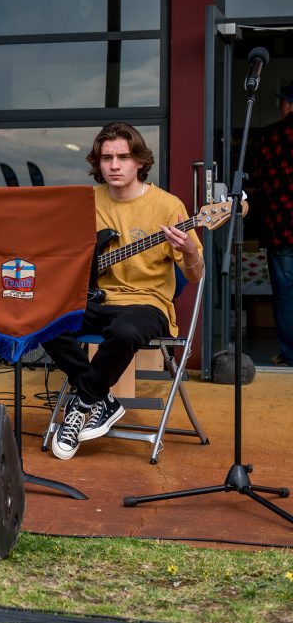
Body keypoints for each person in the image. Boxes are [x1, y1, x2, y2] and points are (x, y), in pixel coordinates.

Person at [43, 122, 203, 460]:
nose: (114, 165)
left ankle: (82, 403)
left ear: (141, 162)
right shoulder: (85, 202)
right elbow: (65, 254)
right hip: (95, 299)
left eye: (124, 157)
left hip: (147, 305)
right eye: (107, 158)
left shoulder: (168, 206)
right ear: (97, 163)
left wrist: (188, 251)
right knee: (42, 317)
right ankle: (104, 400)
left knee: (125, 329)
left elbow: (197, 272)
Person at [246, 81, 293, 366]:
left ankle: (289, 355)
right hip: (280, 227)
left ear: (287, 105)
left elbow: (256, 182)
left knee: (285, 296)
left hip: (281, 228)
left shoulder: (269, 136)